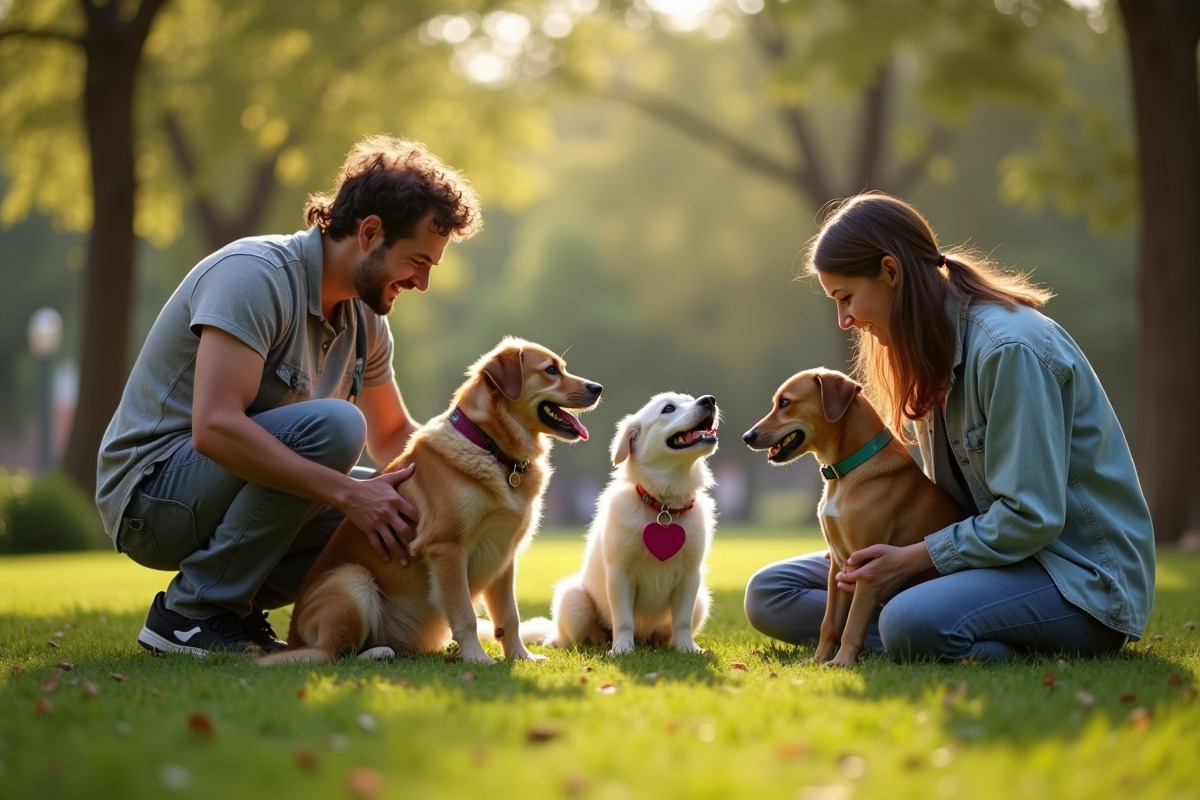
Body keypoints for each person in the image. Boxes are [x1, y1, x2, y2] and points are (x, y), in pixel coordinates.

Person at [96, 135, 483, 657]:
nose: (422, 282)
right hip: (152, 497)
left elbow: (394, 435)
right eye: (418, 260)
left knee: (402, 507)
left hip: (224, 493)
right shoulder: (253, 276)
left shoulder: (367, 321)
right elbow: (214, 428)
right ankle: (190, 613)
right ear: (370, 232)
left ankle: (240, 608)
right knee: (340, 428)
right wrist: (347, 494)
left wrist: (476, 483)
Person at [744, 191, 1155, 662]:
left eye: (846, 298)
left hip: (1072, 579)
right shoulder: (929, 351)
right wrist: (896, 558)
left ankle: (939, 635)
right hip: (983, 563)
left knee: (910, 620)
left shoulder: (1008, 352)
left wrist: (914, 559)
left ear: (890, 272)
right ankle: (924, 630)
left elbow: (1031, 517)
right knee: (772, 591)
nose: (844, 320)